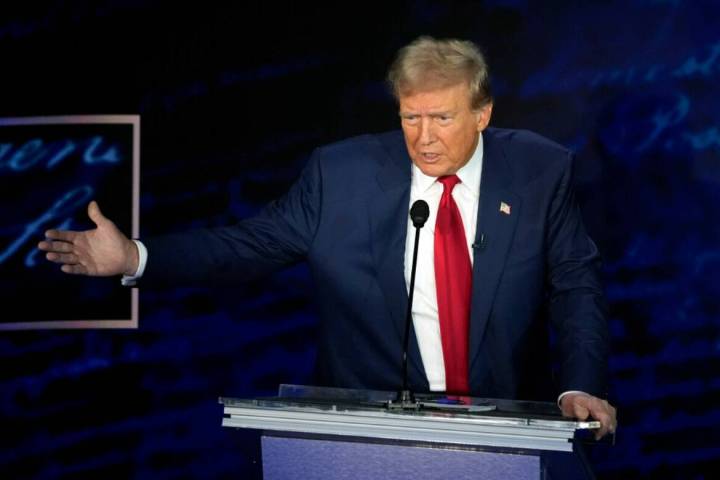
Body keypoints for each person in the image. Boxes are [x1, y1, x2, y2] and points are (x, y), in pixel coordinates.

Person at [39, 36, 617, 439]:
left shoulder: (540, 172)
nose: (424, 138)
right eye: (410, 118)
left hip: (507, 428)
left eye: (442, 118)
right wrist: (136, 255)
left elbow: (576, 285)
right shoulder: (339, 176)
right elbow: (249, 246)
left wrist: (579, 386)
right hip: (372, 432)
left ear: (483, 114)